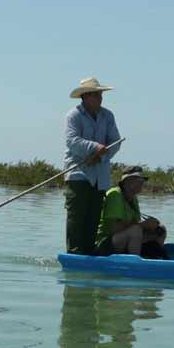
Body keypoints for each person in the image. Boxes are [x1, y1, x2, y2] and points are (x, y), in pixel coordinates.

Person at [63, 76, 122, 255]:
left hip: (100, 176)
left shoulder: (107, 115)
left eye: (101, 94)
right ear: (86, 96)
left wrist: (100, 157)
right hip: (78, 172)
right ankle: (74, 254)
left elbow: (115, 142)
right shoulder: (73, 115)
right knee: (77, 219)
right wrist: (94, 148)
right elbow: (72, 141)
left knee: (93, 218)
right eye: (97, 94)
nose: (100, 98)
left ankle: (89, 254)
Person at [96, 166, 167, 257]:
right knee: (135, 230)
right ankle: (136, 264)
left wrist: (151, 226)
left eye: (142, 180)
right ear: (126, 181)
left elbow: (135, 222)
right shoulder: (115, 195)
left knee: (161, 228)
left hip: (123, 240)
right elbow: (115, 228)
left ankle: (155, 257)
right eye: (137, 179)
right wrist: (143, 225)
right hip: (105, 243)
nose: (141, 182)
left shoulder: (133, 198)